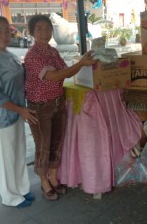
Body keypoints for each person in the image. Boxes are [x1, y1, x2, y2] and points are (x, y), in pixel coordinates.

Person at [24, 15, 95, 201]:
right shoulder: (32, 55)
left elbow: (66, 71)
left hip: (57, 103)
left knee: (57, 143)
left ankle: (54, 177)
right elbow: (54, 76)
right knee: (43, 146)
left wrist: (81, 61)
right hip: (40, 107)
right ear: (31, 32)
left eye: (47, 28)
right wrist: (81, 63)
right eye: (39, 29)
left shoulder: (52, 51)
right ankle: (43, 181)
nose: (44, 33)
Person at [0, 15, 37, 207]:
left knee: (18, 153)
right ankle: (10, 197)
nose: (4, 35)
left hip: (18, 114)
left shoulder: (9, 54)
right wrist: (20, 109)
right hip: (2, 118)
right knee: (6, 159)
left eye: (7, 30)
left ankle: (21, 189)